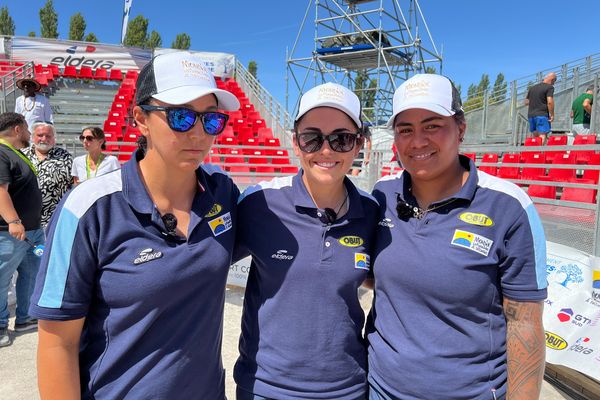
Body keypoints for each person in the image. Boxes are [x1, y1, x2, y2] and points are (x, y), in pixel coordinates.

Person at [29, 51, 240, 399]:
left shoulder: (223, 192)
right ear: (141, 119)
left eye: (212, 120)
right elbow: (56, 344)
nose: (200, 133)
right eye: (181, 117)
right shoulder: (88, 209)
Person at [368, 74, 547, 399]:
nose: (417, 141)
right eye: (405, 129)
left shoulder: (508, 206)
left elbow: (524, 324)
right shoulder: (382, 195)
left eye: (432, 125)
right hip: (380, 389)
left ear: (461, 128)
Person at [234, 82, 379, 400]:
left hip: (347, 389)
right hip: (265, 388)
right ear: (295, 143)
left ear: (359, 146)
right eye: (312, 138)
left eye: (341, 139)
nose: (326, 150)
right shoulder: (259, 203)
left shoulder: (371, 212)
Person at [0, 112, 44, 347]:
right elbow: (0, 190)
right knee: (2, 279)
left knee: (32, 273)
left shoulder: (14, 153)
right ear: (17, 129)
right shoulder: (0, 152)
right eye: (27, 129)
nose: (29, 134)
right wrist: (14, 221)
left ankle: (25, 317)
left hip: (31, 231)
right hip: (11, 233)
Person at [22, 121, 73, 227]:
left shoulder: (65, 157)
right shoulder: (22, 155)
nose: (44, 139)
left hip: (54, 219)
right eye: (40, 135)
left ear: (54, 138)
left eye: (48, 136)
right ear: (32, 137)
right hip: (24, 220)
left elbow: (72, 185)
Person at [525, 72, 556, 144]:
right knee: (542, 135)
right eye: (554, 81)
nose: (553, 84)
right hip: (542, 114)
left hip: (531, 115)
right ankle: (540, 154)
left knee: (535, 137)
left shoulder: (532, 88)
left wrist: (535, 100)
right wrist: (552, 114)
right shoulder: (549, 87)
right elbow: (550, 102)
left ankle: (534, 154)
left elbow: (526, 102)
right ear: (552, 79)